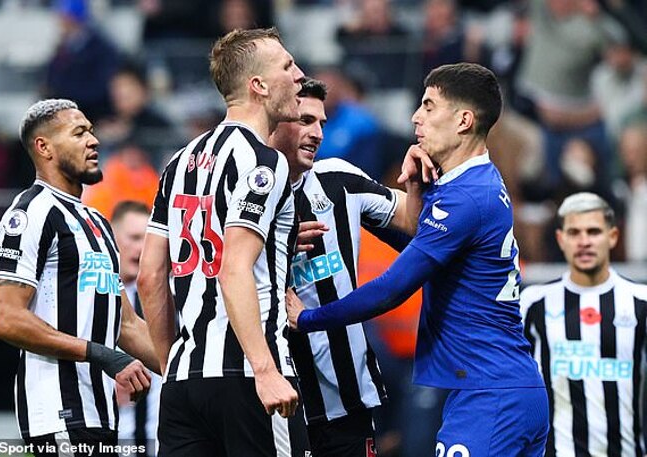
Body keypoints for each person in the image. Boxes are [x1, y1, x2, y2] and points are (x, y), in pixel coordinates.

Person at [287, 62, 549, 456]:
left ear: (463, 121)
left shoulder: (464, 198)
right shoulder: (474, 183)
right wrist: (416, 190)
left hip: (490, 393)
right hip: (501, 385)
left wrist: (308, 318)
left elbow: (392, 288)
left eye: (429, 106)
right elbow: (423, 248)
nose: (415, 117)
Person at [137, 27, 310, 457]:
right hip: (249, 376)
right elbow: (233, 268)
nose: (299, 76)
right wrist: (265, 370)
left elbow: (150, 277)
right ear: (259, 85)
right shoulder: (264, 161)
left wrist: (172, 367)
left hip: (184, 382)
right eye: (288, 66)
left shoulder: (178, 162)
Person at [0, 99, 160, 454]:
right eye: (79, 133)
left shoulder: (97, 222)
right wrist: (102, 355)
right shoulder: (31, 214)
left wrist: (190, 372)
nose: (93, 140)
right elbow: (6, 318)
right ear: (44, 148)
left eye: (92, 131)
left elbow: (126, 324)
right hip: (58, 415)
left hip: (102, 415)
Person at [268, 77, 415, 457]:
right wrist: (275, 243)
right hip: (275, 396)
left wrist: (418, 182)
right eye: (305, 121)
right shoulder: (240, 191)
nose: (317, 133)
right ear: (274, 120)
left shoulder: (338, 178)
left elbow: (415, 223)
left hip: (347, 395)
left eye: (322, 123)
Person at [520, 192, 647, 456]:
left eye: (593, 231)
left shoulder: (641, 302)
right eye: (574, 232)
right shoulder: (534, 303)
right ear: (561, 239)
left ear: (613, 236)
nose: (584, 241)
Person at [111, 201, 161, 455]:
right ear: (113, 239)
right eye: (134, 238)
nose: (141, 248)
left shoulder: (172, 297)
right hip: (112, 438)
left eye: (148, 240)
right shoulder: (96, 299)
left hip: (162, 441)